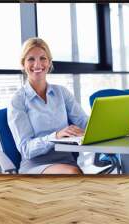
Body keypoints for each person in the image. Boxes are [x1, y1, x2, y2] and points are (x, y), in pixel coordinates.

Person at [7, 38, 88, 174]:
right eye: (31, 59)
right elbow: (26, 149)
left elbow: (84, 122)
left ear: (49, 63)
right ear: (23, 64)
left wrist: (114, 126)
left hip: (67, 161)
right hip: (35, 165)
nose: (37, 64)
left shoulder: (62, 92)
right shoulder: (18, 100)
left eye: (43, 58)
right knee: (73, 174)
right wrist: (55, 136)